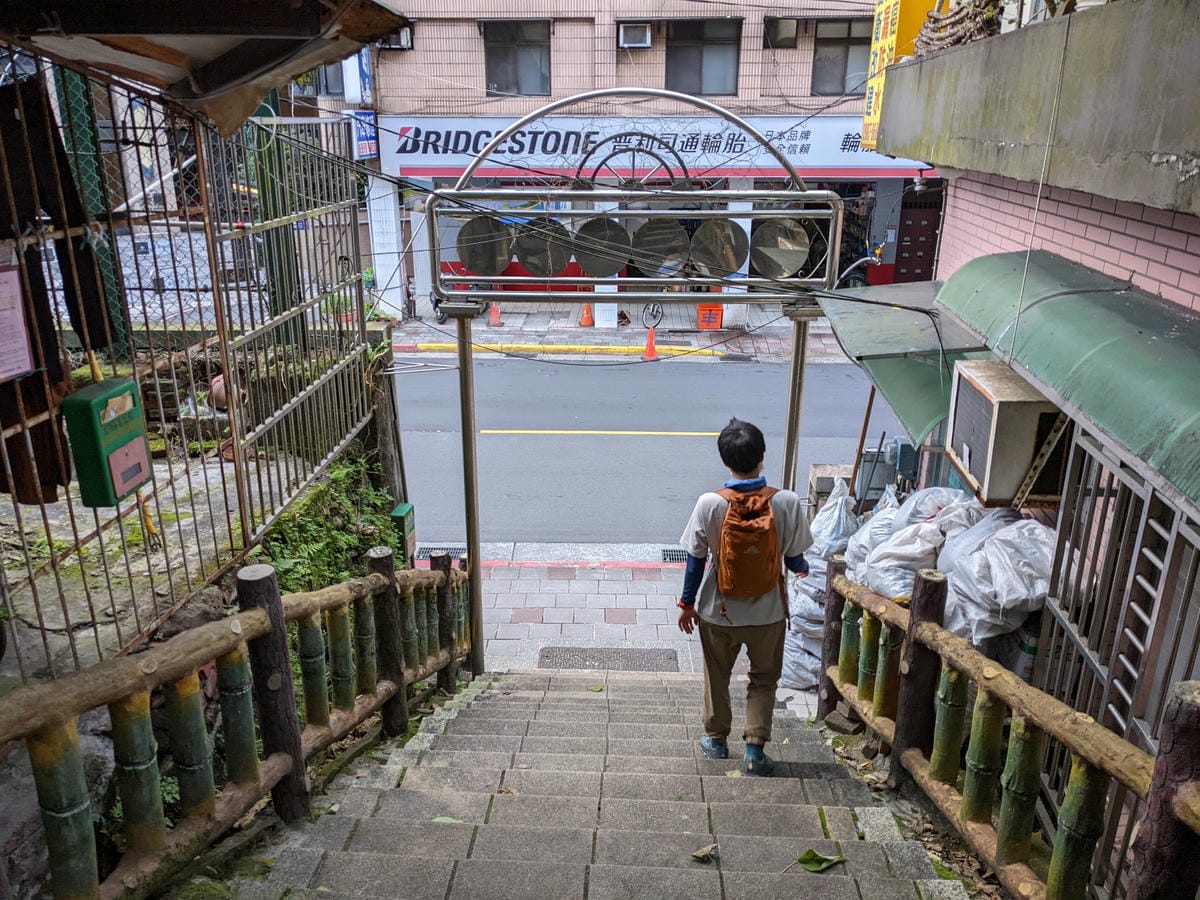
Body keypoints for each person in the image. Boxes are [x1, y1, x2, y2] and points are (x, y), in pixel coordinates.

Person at [677, 418, 813, 776]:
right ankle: (754, 750)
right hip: (768, 613)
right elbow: (796, 558)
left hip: (717, 610)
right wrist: (800, 568)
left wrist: (686, 604)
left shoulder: (709, 504)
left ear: (726, 461)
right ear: (762, 456)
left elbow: (696, 560)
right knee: (764, 680)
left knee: (717, 675)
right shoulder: (786, 502)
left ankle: (716, 740)